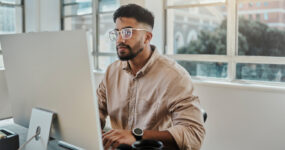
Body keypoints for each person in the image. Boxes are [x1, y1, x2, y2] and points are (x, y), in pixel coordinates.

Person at [97, 4, 205, 150]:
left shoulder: (175, 76)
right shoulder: (112, 72)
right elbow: (95, 112)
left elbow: (193, 134)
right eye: (117, 33)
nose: (119, 40)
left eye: (127, 32)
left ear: (147, 37)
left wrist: (136, 135)